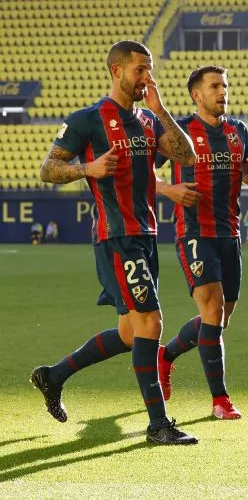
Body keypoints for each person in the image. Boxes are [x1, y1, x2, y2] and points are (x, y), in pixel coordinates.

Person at [31, 40, 198, 445]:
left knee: (129, 333)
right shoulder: (87, 119)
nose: (147, 78)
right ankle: (158, 425)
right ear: (116, 71)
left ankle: (52, 377)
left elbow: (187, 156)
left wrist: (160, 110)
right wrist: (87, 167)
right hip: (116, 235)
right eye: (140, 69)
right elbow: (47, 169)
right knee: (152, 324)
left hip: (146, 234)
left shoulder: (146, 120)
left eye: (150, 69)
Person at [156, 65, 248, 421]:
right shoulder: (179, 133)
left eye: (225, 86)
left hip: (229, 235)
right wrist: (168, 190)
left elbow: (247, 177)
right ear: (197, 95)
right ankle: (220, 400)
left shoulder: (238, 131)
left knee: (221, 318)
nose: (223, 92)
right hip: (194, 233)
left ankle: (167, 355)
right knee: (212, 309)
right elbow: (141, 173)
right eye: (215, 86)